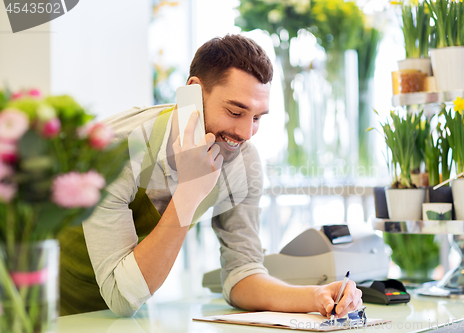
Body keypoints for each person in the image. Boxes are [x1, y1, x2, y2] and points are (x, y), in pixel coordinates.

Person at [58, 34, 362, 318]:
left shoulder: (243, 163)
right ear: (193, 92)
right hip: (44, 307)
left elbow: (242, 272)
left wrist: (315, 296)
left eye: (257, 118)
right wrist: (190, 192)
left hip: (123, 317)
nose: (245, 134)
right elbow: (121, 297)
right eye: (234, 112)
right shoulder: (115, 151)